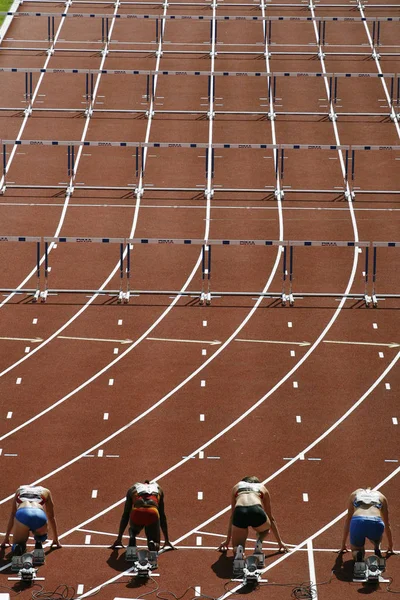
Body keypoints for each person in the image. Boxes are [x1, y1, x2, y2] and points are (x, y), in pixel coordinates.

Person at [217, 476, 287, 556]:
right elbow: (271, 518)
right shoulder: (262, 487)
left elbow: (232, 516)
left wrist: (227, 541)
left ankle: (240, 552)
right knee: (265, 530)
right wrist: (280, 543)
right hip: (256, 510)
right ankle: (259, 541)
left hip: (240, 512)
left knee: (237, 546)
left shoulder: (236, 486)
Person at [111, 480, 173, 551]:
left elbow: (125, 515)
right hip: (152, 512)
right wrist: (166, 540)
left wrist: (119, 538)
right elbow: (162, 516)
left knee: (133, 530)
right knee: (154, 540)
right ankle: (152, 543)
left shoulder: (133, 488)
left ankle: (132, 536)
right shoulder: (158, 489)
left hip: (137, 511)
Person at [1, 485, 61, 554]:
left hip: (23, 513)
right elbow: (51, 516)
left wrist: (6, 537)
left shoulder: (19, 490)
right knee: (41, 533)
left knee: (18, 543)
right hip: (39, 514)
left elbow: (13, 514)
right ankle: (39, 545)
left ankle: (19, 547)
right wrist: (56, 538)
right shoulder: (46, 491)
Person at [339, 487, 394, 560]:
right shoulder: (381, 496)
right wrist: (390, 546)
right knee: (377, 536)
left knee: (356, 550)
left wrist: (343, 545)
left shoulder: (355, 494)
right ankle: (377, 546)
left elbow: (348, 520)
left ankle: (358, 554)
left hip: (358, 520)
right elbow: (387, 524)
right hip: (375, 521)